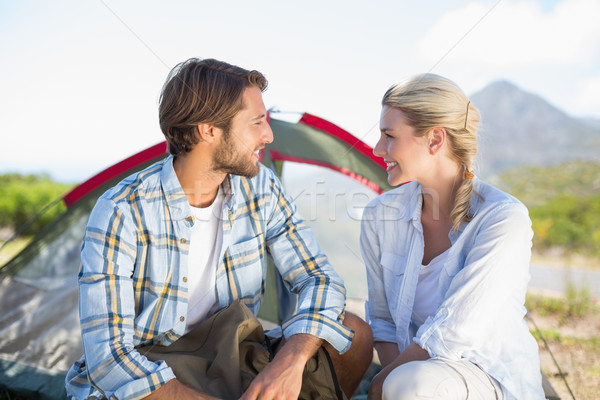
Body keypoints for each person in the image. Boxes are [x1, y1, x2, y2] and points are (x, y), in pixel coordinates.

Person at [65, 57, 373, 400]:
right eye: (257, 122)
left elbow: (320, 279)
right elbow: (110, 358)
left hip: (234, 352)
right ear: (208, 129)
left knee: (352, 335)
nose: (268, 135)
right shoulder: (122, 210)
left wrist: (290, 361)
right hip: (153, 369)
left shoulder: (261, 188)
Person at [360, 73, 546, 400]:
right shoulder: (379, 216)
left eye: (389, 135)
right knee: (404, 384)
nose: (377, 148)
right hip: (411, 379)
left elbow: (454, 333)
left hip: (488, 380)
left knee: (410, 384)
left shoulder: (503, 219)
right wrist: (386, 386)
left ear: (435, 139)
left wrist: (384, 383)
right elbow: (383, 319)